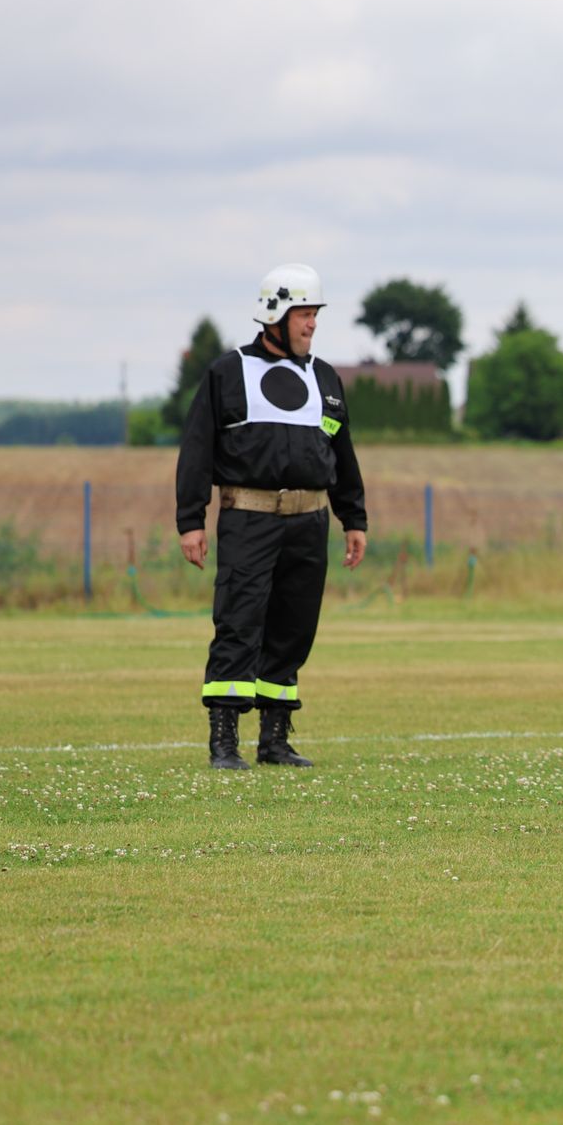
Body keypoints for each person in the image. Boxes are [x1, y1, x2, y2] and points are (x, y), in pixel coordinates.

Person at [175, 263, 368, 770]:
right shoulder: (227, 373)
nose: (312, 324)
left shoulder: (325, 377)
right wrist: (190, 520)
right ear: (276, 316)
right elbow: (197, 449)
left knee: (293, 628)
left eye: (314, 314)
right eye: (304, 314)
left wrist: (354, 519)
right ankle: (224, 741)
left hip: (310, 522)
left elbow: (342, 453)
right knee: (239, 623)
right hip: (248, 519)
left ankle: (274, 740)